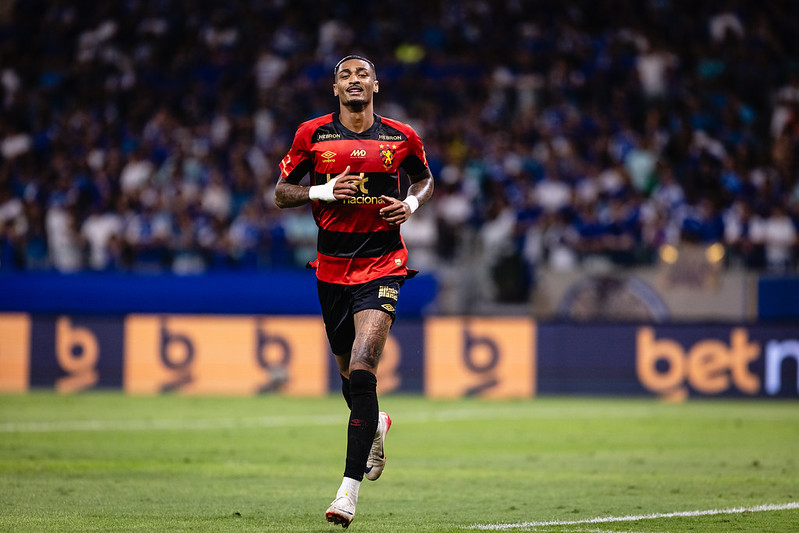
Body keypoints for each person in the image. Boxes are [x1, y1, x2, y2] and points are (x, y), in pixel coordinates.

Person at [274, 54, 434, 528]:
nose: (354, 80)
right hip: (330, 271)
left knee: (363, 372)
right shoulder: (313, 135)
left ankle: (347, 493)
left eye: (362, 73)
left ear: (376, 85)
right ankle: (376, 425)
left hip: (383, 265)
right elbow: (281, 191)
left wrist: (409, 202)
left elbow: (425, 179)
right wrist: (320, 193)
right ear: (336, 89)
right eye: (345, 74)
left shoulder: (402, 137)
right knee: (348, 375)